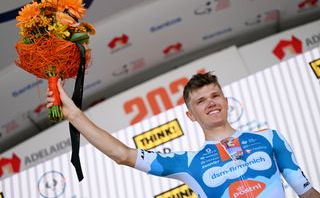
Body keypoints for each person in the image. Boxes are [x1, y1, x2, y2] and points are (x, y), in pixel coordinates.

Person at [46, 72, 320, 198]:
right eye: (200, 101)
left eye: (215, 96)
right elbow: (123, 155)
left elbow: (306, 193)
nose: (211, 102)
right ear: (190, 115)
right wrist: (74, 116)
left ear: (225, 101)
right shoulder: (187, 162)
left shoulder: (269, 138)